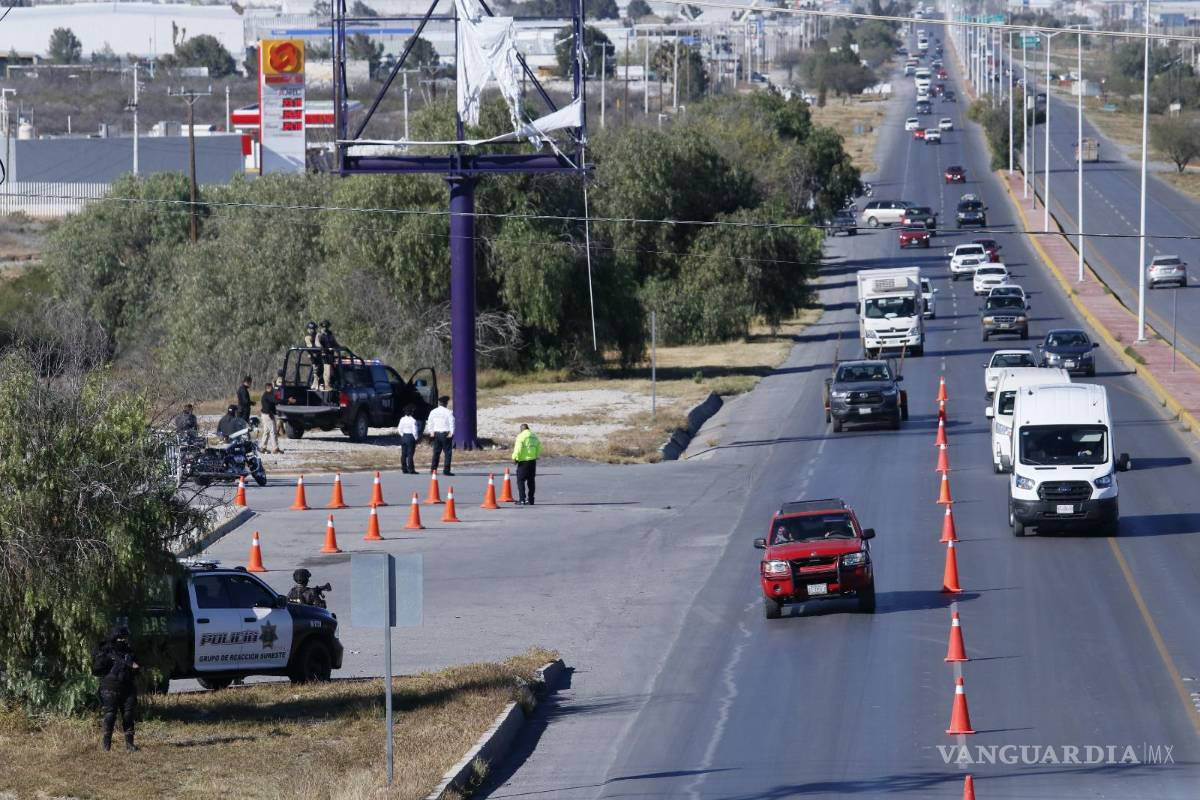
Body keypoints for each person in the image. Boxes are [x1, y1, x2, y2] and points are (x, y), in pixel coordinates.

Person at [91, 625, 140, 752]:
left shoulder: (129, 652)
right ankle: (106, 747)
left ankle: (130, 745)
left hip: (128, 687)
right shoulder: (106, 652)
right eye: (121, 638)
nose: (124, 640)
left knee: (128, 716)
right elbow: (96, 670)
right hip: (110, 688)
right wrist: (106, 659)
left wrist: (135, 667)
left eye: (125, 638)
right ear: (115, 638)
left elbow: (138, 668)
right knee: (110, 716)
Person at [512, 423, 541, 505]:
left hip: (523, 462)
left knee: (520, 480)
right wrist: (536, 456)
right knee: (531, 481)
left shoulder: (521, 436)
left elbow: (518, 448)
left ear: (522, 429)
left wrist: (515, 457)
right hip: (532, 461)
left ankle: (522, 499)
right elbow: (539, 447)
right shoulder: (534, 436)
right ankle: (531, 500)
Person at [427, 395, 455, 475]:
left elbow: (430, 422)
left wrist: (431, 432)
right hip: (445, 434)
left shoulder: (433, 411)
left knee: (436, 452)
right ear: (446, 403)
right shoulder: (449, 412)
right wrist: (452, 433)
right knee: (447, 452)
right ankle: (446, 470)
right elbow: (452, 423)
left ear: (439, 403)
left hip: (436, 434)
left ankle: (433, 469)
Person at [259, 382, 282, 454]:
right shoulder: (268, 395)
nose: (272, 389)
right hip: (268, 415)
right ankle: (275, 448)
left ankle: (263, 447)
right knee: (273, 431)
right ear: (268, 388)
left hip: (264, 415)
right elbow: (276, 401)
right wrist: (279, 394)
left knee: (266, 431)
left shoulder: (266, 395)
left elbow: (274, 401)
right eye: (271, 387)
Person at [397, 405, 419, 474]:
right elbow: (414, 430)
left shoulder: (402, 419)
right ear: (411, 412)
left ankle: (404, 469)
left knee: (403, 454)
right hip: (410, 437)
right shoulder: (413, 420)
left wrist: (402, 435)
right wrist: (416, 438)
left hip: (404, 436)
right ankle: (411, 469)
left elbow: (399, 429)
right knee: (410, 454)